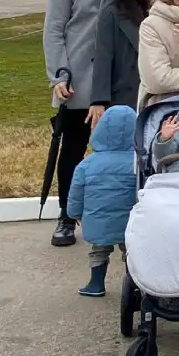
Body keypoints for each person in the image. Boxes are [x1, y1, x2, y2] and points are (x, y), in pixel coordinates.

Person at [42, 0, 129, 246]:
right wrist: (58, 74)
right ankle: (66, 215)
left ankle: (126, 217)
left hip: (121, 77)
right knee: (73, 150)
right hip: (79, 76)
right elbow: (54, 29)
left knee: (128, 149)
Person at [65, 104, 137, 297]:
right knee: (131, 253)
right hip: (130, 221)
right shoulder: (138, 163)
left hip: (98, 220)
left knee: (98, 250)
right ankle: (135, 285)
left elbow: (76, 192)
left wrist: (74, 214)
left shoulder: (87, 164)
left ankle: (96, 284)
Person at [92, 0, 160, 111]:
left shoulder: (167, 13)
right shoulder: (112, 13)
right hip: (123, 94)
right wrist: (99, 100)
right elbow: (103, 57)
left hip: (158, 93)